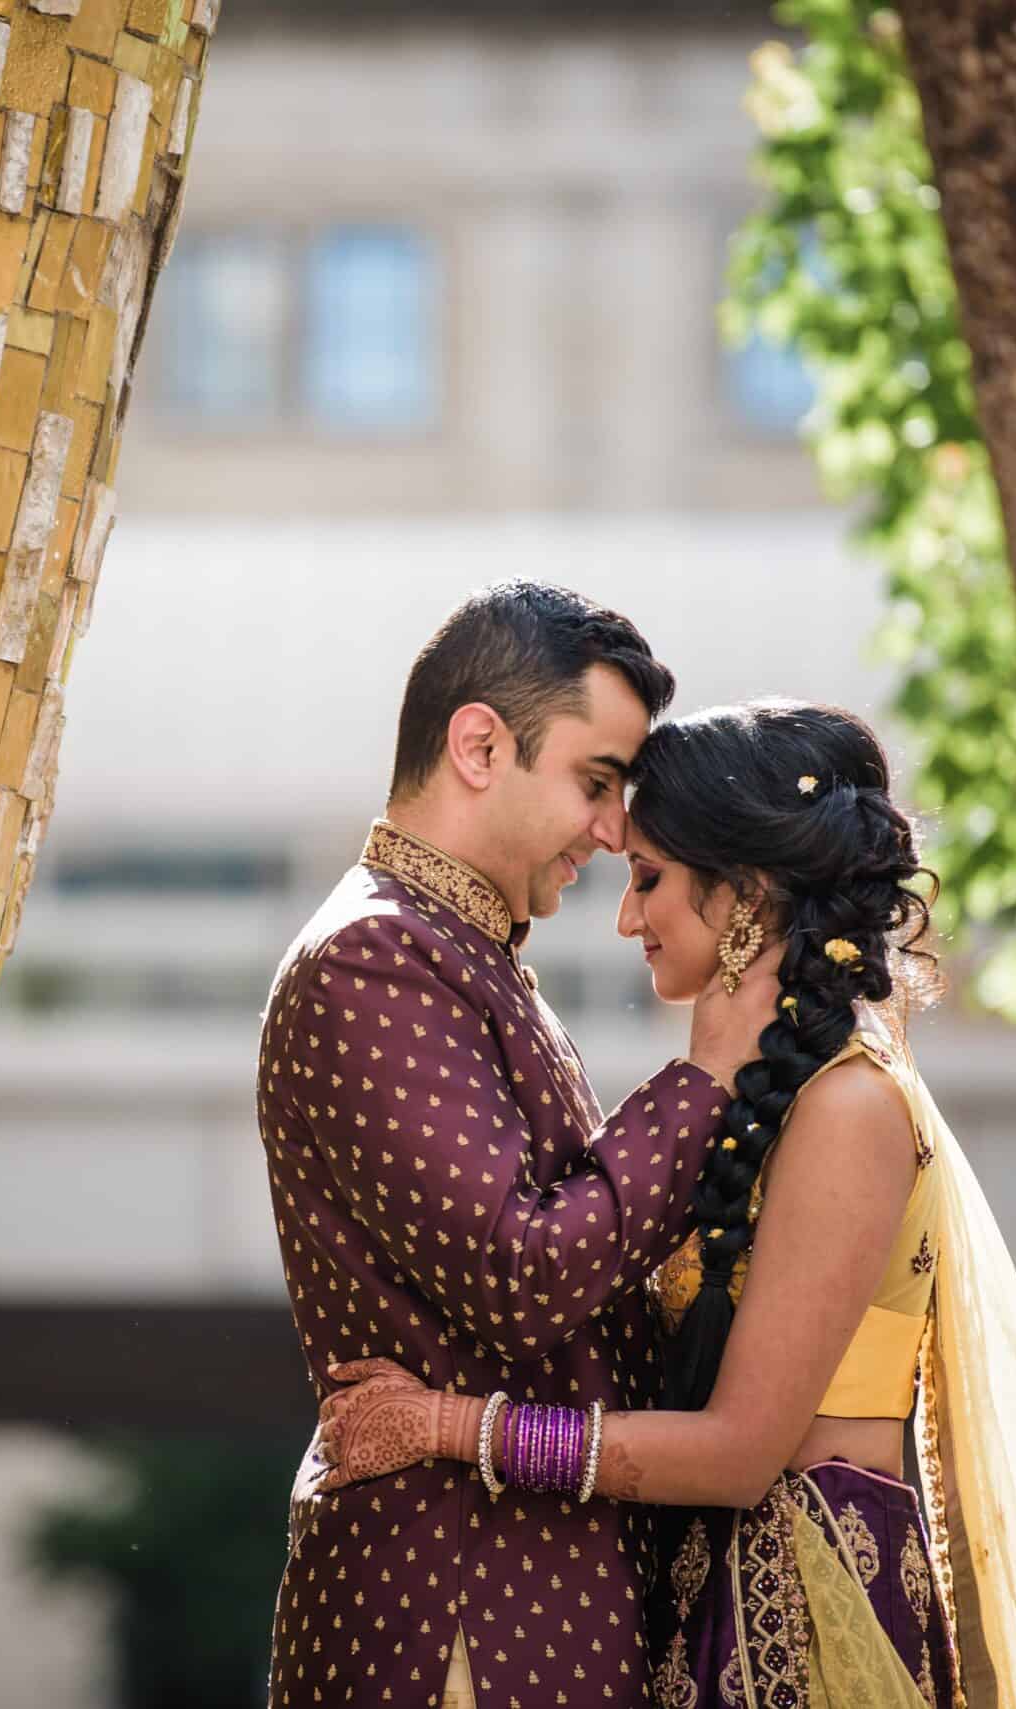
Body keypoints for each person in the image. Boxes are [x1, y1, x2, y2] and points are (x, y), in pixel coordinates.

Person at [311, 700, 1016, 1707]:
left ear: (745, 896)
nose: (628, 917)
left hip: (814, 1628)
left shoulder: (848, 1101)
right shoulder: (765, 1096)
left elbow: (736, 1452)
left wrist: (447, 1425)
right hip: (716, 1605)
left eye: (647, 879)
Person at [258, 583, 735, 1708]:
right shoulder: (372, 960)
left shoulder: (465, 952)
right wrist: (708, 1079)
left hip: (531, 1599)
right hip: (460, 1609)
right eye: (595, 782)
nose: (615, 830)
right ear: (480, 744)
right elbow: (522, 1274)